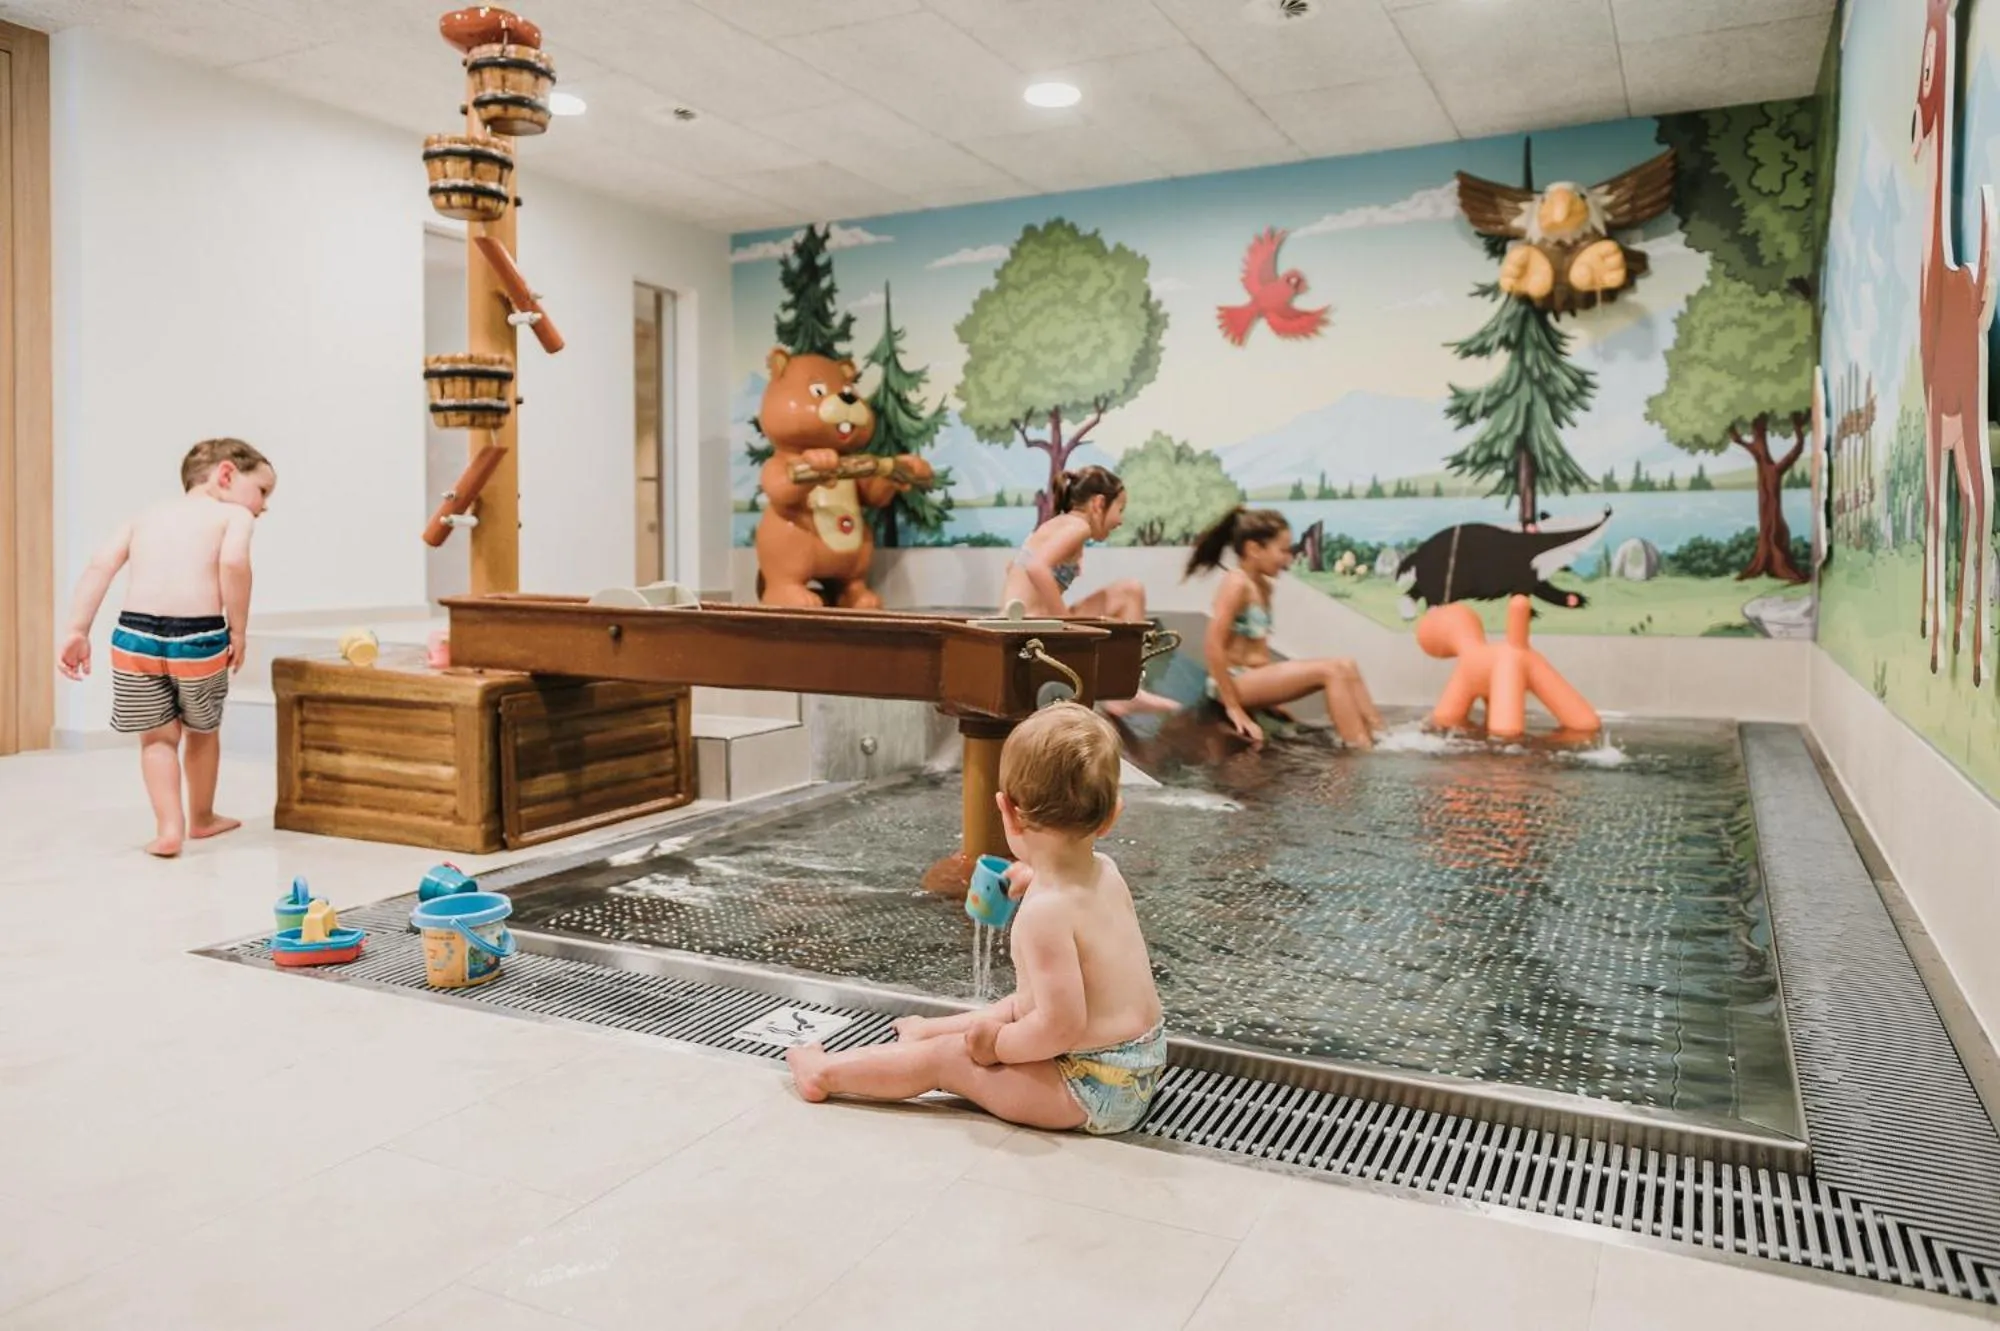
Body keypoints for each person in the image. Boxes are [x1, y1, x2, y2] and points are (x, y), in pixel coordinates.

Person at [787, 703, 1167, 1136]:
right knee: (1018, 1005)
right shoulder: (1105, 872)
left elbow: (1062, 1027)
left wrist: (997, 1048)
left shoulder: (1045, 915)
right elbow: (1068, 898)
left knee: (948, 1059)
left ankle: (823, 1072)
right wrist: (1032, 873)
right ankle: (926, 1029)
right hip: (1139, 1068)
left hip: (1088, 1089)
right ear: (1111, 816)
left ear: (1006, 811)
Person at [57, 438, 275, 857]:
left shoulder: (145, 516)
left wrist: (77, 628)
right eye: (262, 491)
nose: (263, 505)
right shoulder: (234, 515)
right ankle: (203, 818)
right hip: (198, 639)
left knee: (156, 739)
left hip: (133, 637)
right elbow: (233, 564)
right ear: (226, 474)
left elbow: (100, 565)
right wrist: (239, 630)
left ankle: (168, 829)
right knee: (202, 732)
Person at [1185, 506, 1381, 750]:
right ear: (1254, 549)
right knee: (1331, 671)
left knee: (1346, 665)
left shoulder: (1264, 587)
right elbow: (1213, 644)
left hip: (1254, 678)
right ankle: (1360, 749)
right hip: (1234, 682)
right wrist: (1234, 708)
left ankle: (1382, 738)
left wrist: (1272, 695)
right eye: (1283, 551)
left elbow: (1258, 649)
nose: (1288, 559)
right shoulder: (1236, 583)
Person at [1000, 466, 1174, 715]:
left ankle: (1118, 683)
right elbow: (1036, 568)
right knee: (1130, 591)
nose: (1121, 520)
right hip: (1032, 630)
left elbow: (1013, 567)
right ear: (1099, 503)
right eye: (1120, 510)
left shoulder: (1059, 524)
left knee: (1127, 592)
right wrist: (1067, 625)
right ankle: (1125, 687)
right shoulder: (1077, 527)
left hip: (1027, 622)